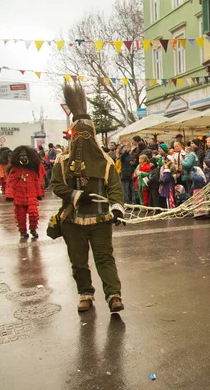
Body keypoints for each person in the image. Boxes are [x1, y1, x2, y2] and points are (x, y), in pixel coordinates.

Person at [51, 83, 126, 313]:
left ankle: (113, 296)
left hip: (100, 220)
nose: (82, 139)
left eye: (86, 134)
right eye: (78, 134)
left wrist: (116, 209)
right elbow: (55, 185)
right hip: (72, 220)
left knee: (105, 258)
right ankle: (85, 295)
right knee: (78, 261)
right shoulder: (62, 162)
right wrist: (75, 194)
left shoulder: (106, 162)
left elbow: (115, 187)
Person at [5, 146, 43, 239]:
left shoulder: (33, 170)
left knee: (33, 213)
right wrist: (9, 195)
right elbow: (10, 182)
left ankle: (33, 229)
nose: (23, 158)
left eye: (25, 156)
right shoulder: (14, 170)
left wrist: (39, 194)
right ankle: (22, 231)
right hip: (19, 196)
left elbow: (36, 182)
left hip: (32, 195)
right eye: (21, 156)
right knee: (20, 216)